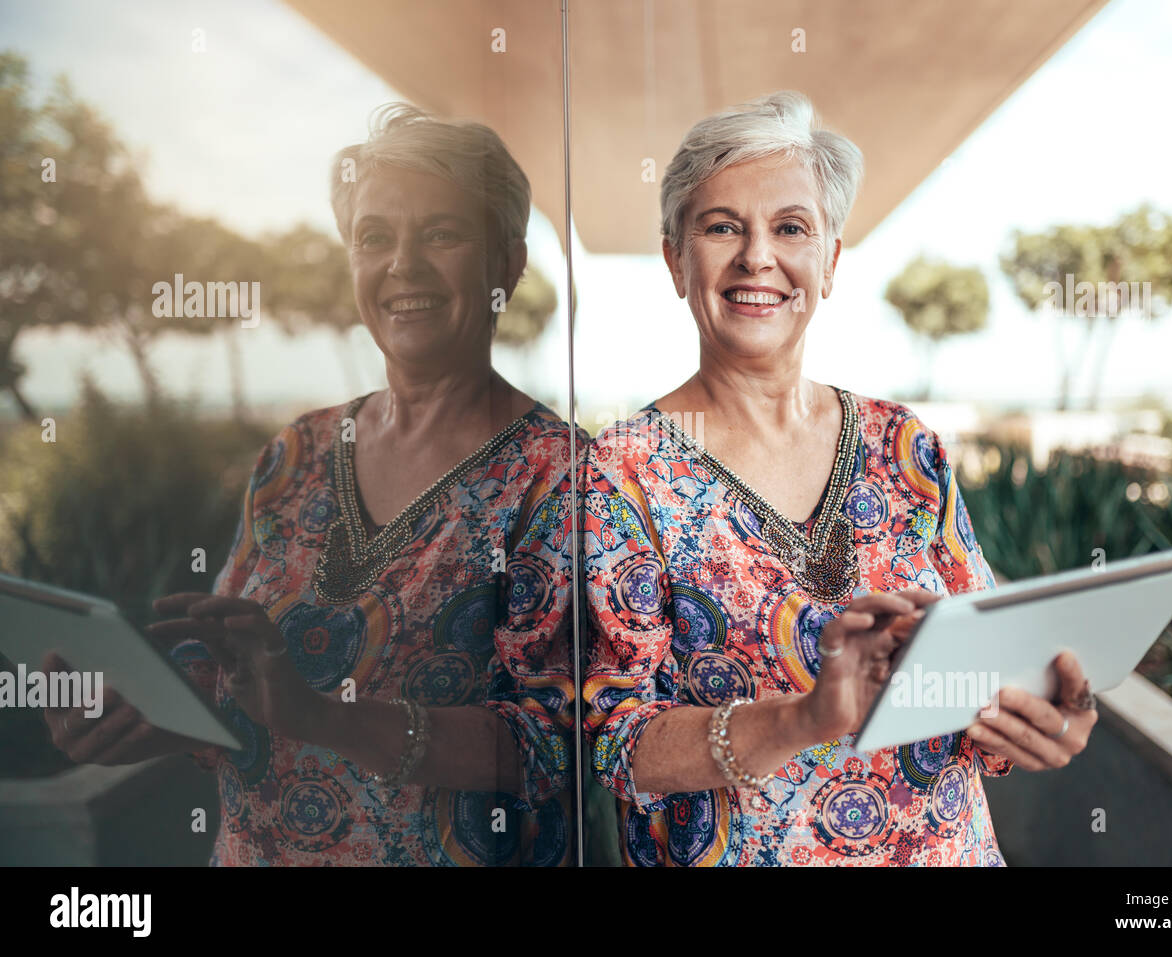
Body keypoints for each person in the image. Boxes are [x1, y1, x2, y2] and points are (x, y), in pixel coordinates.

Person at [44, 103, 577, 866]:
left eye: (441, 233)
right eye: (374, 237)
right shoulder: (294, 454)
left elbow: (555, 742)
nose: (403, 264)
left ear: (507, 262)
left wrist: (324, 716)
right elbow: (234, 682)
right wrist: (142, 714)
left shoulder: (561, 475)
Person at [581, 91, 1098, 867]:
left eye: (791, 227)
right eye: (723, 226)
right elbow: (615, 741)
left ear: (829, 262)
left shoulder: (904, 445)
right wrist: (804, 716)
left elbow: (986, 656)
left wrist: (1044, 716)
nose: (758, 256)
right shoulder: (620, 473)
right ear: (674, 259)